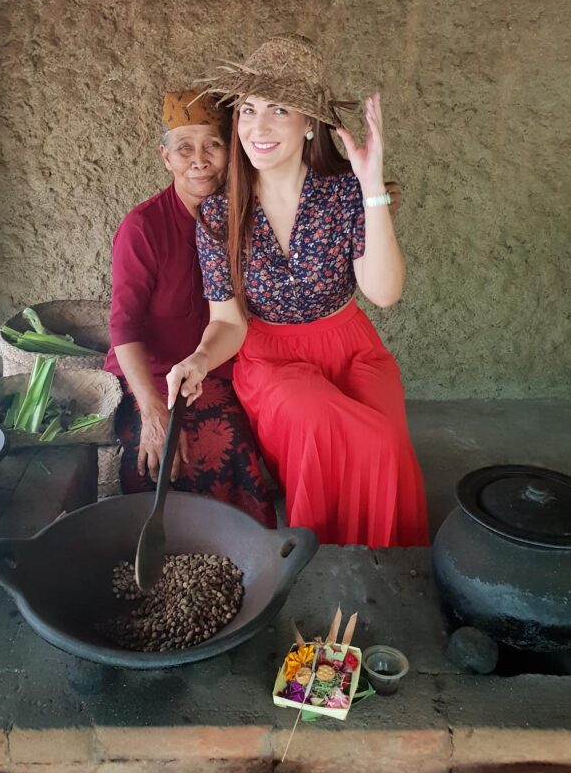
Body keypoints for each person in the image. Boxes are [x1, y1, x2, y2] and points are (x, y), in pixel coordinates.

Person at [166, 36, 429, 548]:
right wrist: (199, 359)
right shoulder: (220, 213)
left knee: (390, 444)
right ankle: (322, 562)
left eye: (278, 109)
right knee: (328, 423)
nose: (257, 127)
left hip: (350, 346)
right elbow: (228, 321)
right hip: (272, 360)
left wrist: (369, 181)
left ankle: (387, 570)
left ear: (309, 123)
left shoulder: (345, 194)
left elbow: (385, 292)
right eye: (247, 110)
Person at [103, 89, 276, 527]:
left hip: (214, 371)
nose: (199, 160)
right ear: (166, 158)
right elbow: (124, 329)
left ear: (229, 152)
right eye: (185, 148)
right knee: (154, 454)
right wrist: (153, 410)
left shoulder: (247, 217)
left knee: (225, 440)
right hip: (149, 375)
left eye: (212, 145)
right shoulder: (143, 227)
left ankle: (237, 554)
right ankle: (162, 559)